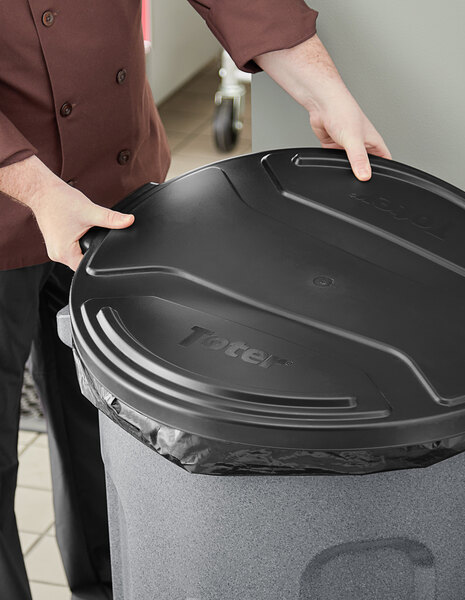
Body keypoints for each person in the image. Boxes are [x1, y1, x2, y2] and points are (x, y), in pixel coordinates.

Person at [0, 1, 390, 598]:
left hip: (114, 188)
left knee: (113, 425)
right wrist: (33, 184)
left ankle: (114, 586)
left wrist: (324, 91)